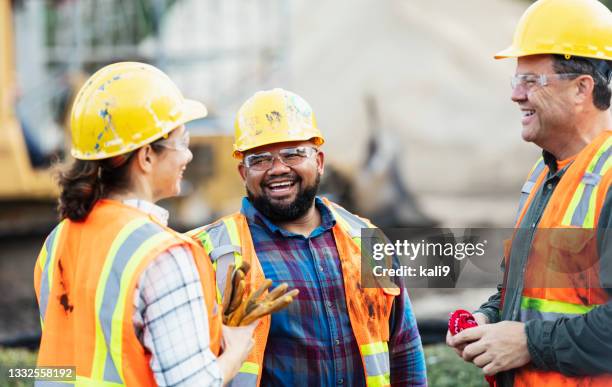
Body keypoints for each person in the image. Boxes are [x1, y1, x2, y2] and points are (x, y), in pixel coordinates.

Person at [33, 62, 255, 386]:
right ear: (147, 155)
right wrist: (235, 352)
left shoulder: (57, 240)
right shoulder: (163, 256)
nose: (188, 156)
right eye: (182, 141)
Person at [189, 88, 426, 386]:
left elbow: (403, 348)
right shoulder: (210, 253)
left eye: (293, 154)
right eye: (260, 159)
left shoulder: (366, 240)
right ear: (242, 172)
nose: (277, 169)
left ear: (320, 161)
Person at [446, 0, 612, 386]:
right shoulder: (545, 171)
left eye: (532, 81)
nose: (516, 95)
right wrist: (489, 318)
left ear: (581, 89)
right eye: (515, 80)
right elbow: (527, 291)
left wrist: (528, 342)